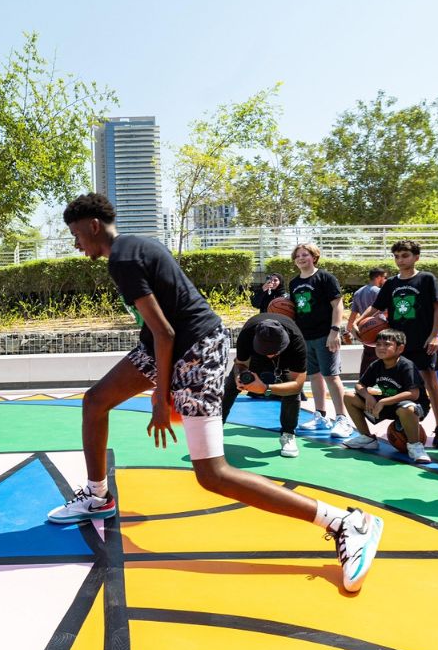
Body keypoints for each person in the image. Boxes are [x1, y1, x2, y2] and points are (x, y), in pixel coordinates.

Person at [48, 193, 384, 593]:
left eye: (75, 235)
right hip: (171, 345)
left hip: (193, 348)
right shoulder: (135, 246)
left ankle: (344, 522)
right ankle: (99, 495)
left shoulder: (122, 257)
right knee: (96, 400)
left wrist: (160, 398)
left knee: (212, 474)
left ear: (91, 226)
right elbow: (160, 329)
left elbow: (166, 331)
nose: (76, 245)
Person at [353, 241, 438, 449]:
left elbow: (436, 308)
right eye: (396, 256)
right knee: (401, 385)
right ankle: (400, 417)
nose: (400, 260)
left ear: (416, 257)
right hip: (397, 345)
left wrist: (434, 335)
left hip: (422, 341)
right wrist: (357, 321)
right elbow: (376, 307)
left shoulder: (426, 279)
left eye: (405, 255)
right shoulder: (391, 284)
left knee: (431, 383)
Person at [288, 243, 354, 438]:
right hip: (304, 336)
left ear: (314, 257)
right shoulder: (294, 283)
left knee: (331, 376)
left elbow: (338, 305)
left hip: (325, 335)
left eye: (305, 255)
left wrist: (335, 331)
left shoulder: (325, 277)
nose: (301, 258)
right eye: (298, 255)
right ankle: (321, 415)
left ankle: (342, 419)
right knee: (314, 376)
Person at [222, 312, 308, 458]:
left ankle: (288, 434)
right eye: (265, 351)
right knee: (231, 386)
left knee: (291, 392)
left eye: (273, 352)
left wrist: (266, 389)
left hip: (284, 361)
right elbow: (240, 364)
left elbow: (298, 384)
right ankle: (215, 429)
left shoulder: (296, 341)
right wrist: (239, 375)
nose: (269, 355)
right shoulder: (248, 333)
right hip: (255, 358)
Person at [341, 329, 432, 464]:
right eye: (378, 344)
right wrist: (368, 396)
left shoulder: (406, 365)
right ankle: (367, 438)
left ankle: (415, 446)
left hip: (411, 407)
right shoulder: (376, 365)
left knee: (407, 408)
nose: (381, 348)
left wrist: (383, 401)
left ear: (400, 348)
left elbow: (414, 394)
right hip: (386, 406)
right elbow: (359, 385)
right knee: (349, 396)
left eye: (387, 344)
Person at [346, 267, 387, 374]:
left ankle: (363, 382)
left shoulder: (358, 292)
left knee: (368, 357)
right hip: (379, 328)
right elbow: (385, 310)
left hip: (364, 329)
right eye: (384, 277)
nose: (385, 280)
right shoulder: (379, 291)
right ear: (378, 277)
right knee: (385, 358)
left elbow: (353, 313)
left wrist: (349, 329)